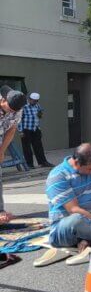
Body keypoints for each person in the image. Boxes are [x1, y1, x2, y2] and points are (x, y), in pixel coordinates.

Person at [0, 86, 27, 224]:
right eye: (10, 109)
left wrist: (2, 150)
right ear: (3, 100)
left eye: (14, 111)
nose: (12, 112)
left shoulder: (17, 109)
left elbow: (11, 130)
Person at [18, 92, 53, 169]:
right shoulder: (24, 106)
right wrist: (20, 131)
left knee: (39, 146)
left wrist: (40, 114)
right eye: (33, 100)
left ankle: (43, 162)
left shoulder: (37, 105)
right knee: (27, 148)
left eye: (36, 101)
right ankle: (29, 164)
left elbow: (39, 116)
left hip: (35, 128)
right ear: (29, 99)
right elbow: (19, 119)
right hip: (26, 129)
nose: (35, 102)